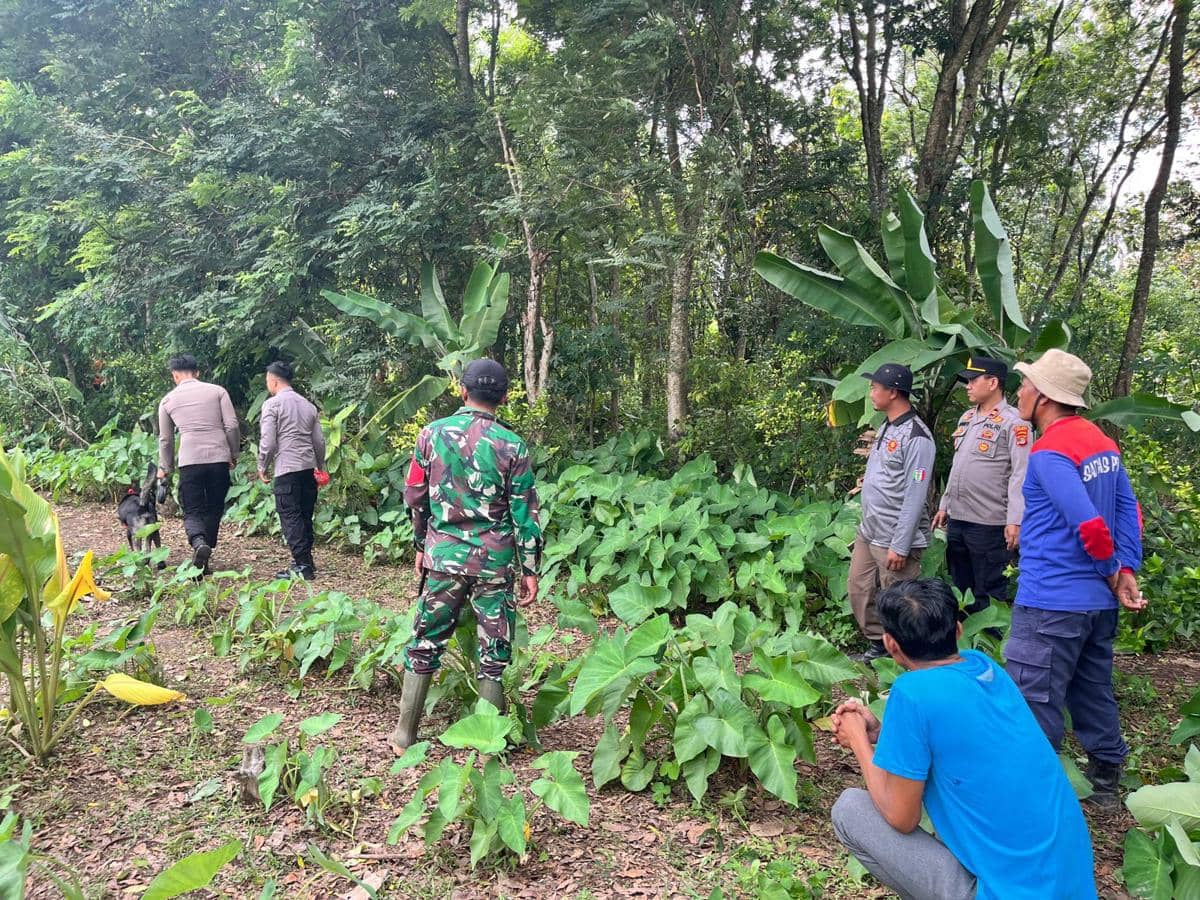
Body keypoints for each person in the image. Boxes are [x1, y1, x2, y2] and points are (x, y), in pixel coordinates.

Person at [830, 578, 1098, 900]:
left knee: (850, 810)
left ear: (890, 644)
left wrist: (859, 740)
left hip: (1002, 893)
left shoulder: (912, 693)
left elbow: (901, 817)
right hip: (1069, 885)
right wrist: (883, 733)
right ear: (957, 631)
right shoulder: (985, 669)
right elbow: (961, 742)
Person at [1005, 348, 1145, 811]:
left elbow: (1089, 524)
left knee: (1035, 694)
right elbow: (1127, 509)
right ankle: (1105, 781)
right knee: (1091, 687)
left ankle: (1035, 795)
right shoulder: (1102, 442)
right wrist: (1126, 570)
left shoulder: (1050, 451)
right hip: (1095, 607)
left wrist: (1111, 571)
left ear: (1043, 397)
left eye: (1025, 385)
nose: (1019, 391)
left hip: (1052, 600)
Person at [388, 358, 542, 753]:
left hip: (444, 558)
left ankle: (405, 735)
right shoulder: (513, 445)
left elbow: (415, 497)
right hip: (494, 563)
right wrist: (530, 568)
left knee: (425, 642)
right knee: (494, 651)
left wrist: (421, 545)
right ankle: (488, 742)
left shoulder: (430, 435)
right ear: (505, 397)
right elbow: (525, 512)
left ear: (462, 390)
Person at [848, 363, 936, 661]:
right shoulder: (887, 426)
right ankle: (879, 645)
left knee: (898, 600)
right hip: (870, 530)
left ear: (894, 392)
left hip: (894, 538)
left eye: (875, 387)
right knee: (859, 588)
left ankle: (906, 658)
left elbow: (915, 494)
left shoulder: (918, 437)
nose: (871, 392)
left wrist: (900, 545)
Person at [930, 356, 1031, 613]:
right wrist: (945, 504)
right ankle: (963, 648)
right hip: (958, 518)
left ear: (993, 382)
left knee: (988, 592)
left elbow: (1021, 473)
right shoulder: (966, 418)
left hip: (990, 523)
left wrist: (1015, 520)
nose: (968, 385)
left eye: (973, 380)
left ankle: (988, 648)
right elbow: (958, 466)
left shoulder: (1015, 422)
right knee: (961, 589)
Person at [157, 354, 240, 574]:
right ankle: (206, 549)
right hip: (218, 457)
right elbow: (231, 425)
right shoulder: (218, 391)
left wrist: (165, 468)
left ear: (174, 376)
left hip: (190, 460)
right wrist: (233, 453)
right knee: (214, 506)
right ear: (197, 373)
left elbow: (166, 439)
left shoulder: (168, 400)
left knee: (192, 509)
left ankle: (198, 542)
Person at [256, 361, 327, 580]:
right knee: (305, 515)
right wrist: (320, 465)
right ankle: (306, 560)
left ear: (274, 380)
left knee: (290, 517)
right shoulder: (308, 405)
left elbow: (268, 441)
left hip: (286, 468)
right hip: (307, 469)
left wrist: (262, 465)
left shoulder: (272, 405)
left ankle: (302, 566)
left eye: (268, 380)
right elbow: (319, 441)